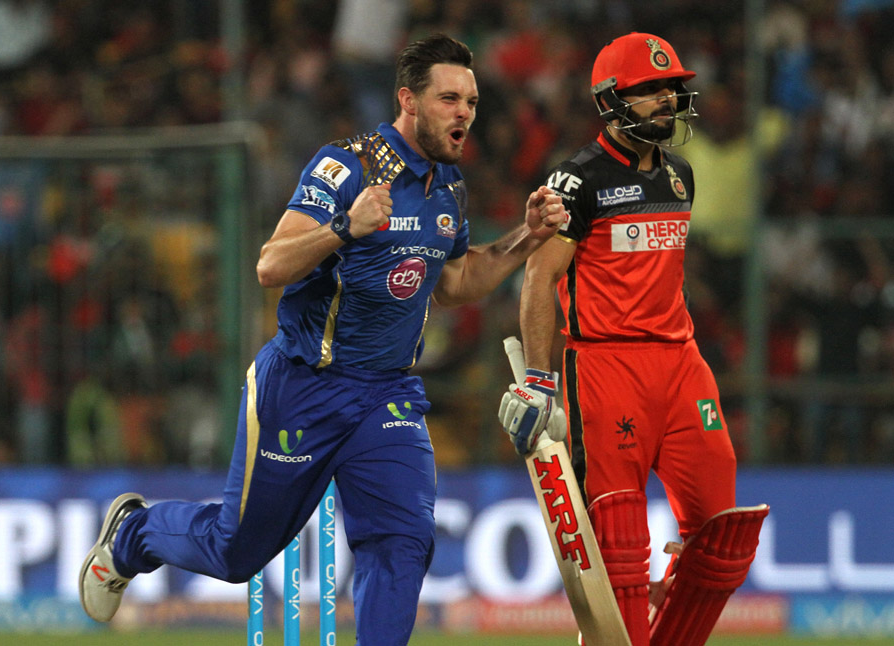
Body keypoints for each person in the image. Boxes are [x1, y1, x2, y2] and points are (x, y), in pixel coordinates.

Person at [78, 34, 567, 645]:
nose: (465, 112)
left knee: (402, 541)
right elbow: (270, 266)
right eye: (449, 99)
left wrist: (525, 238)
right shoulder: (347, 165)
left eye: (470, 100)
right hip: (304, 388)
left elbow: (456, 282)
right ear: (407, 102)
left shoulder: (448, 188)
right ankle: (133, 535)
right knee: (236, 554)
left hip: (386, 395)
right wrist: (344, 225)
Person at [497, 32, 768, 646]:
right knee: (618, 549)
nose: (667, 100)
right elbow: (539, 279)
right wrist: (540, 382)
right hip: (605, 365)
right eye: (650, 90)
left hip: (681, 362)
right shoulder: (577, 180)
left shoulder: (681, 176)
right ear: (612, 100)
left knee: (722, 539)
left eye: (671, 87)